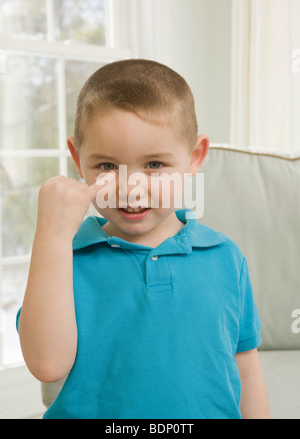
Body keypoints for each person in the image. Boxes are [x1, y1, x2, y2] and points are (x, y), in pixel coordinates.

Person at [16, 59, 270, 419]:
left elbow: (246, 368)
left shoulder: (225, 257)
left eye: (154, 165)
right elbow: (47, 365)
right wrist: (51, 238)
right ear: (77, 158)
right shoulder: (64, 260)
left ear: (194, 157)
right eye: (106, 166)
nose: (130, 188)